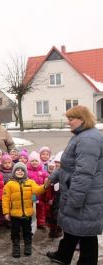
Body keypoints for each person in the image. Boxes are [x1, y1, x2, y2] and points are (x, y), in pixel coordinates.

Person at [46, 105, 103, 265]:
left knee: (86, 233)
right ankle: (63, 255)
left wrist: (75, 200)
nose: (68, 123)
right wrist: (53, 177)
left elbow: (84, 174)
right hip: (78, 193)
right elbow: (68, 165)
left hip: (83, 196)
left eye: (71, 119)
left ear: (82, 119)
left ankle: (86, 262)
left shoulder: (88, 140)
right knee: (74, 227)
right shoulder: (82, 135)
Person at [2, 162, 47, 258]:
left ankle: (28, 245)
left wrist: (45, 186)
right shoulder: (9, 184)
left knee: (27, 230)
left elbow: (37, 190)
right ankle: (16, 247)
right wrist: (6, 212)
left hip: (27, 213)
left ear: (25, 172)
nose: (20, 172)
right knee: (15, 231)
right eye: (18, 170)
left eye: (22, 170)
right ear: (14, 172)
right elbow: (5, 199)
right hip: (15, 214)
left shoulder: (30, 182)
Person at [27, 151, 48, 230]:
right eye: (32, 161)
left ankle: (41, 222)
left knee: (40, 208)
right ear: (29, 162)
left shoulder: (42, 171)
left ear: (39, 162)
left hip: (40, 193)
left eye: (36, 161)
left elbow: (47, 177)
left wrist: (47, 179)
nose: (34, 162)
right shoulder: (27, 171)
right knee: (30, 207)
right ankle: (28, 222)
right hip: (32, 194)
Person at [44, 151, 63, 239]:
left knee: (58, 215)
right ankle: (52, 230)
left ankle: (59, 230)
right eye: (56, 162)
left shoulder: (65, 174)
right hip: (51, 199)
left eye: (59, 162)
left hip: (60, 200)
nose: (57, 164)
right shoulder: (51, 172)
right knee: (51, 215)